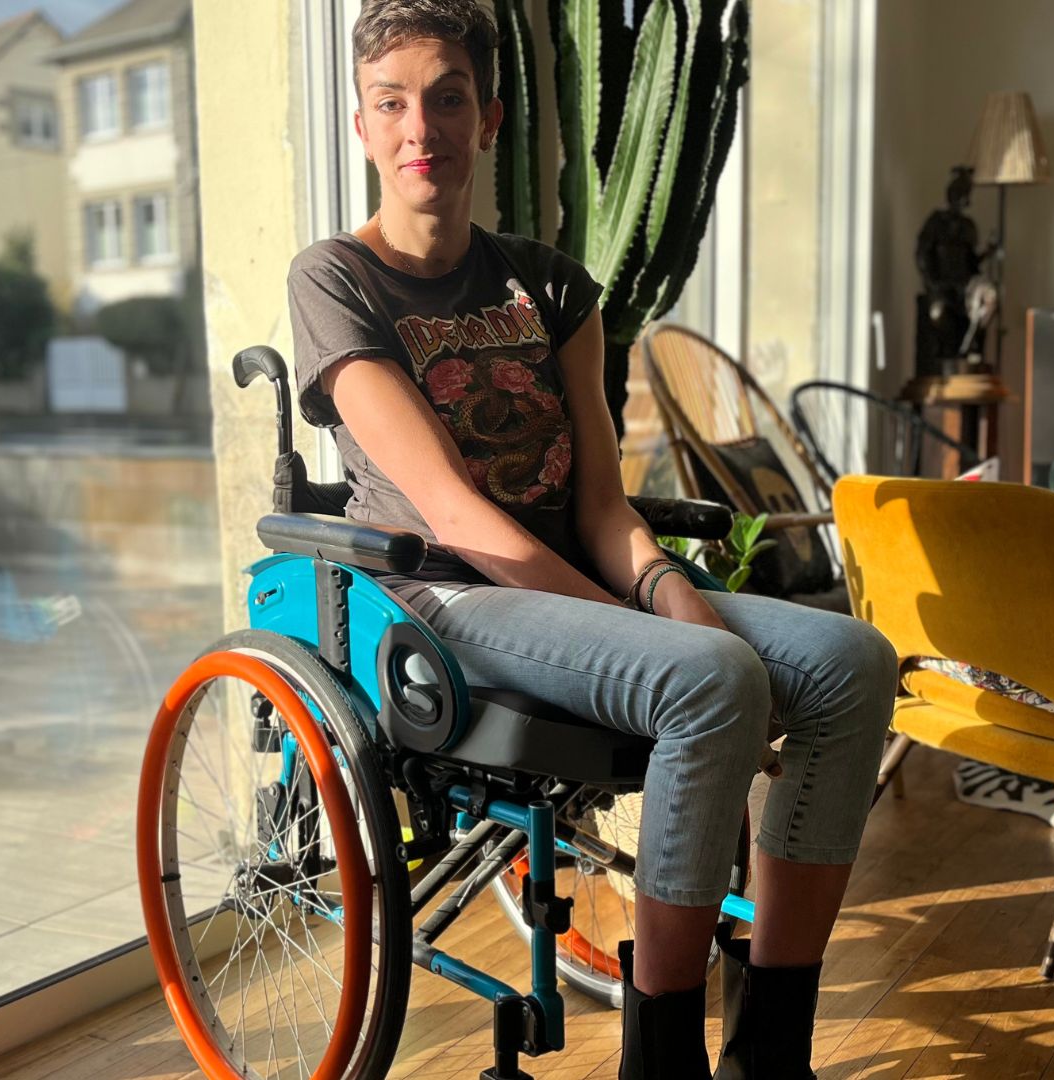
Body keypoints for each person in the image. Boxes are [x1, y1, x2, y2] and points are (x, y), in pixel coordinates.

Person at [285, 2, 898, 1076]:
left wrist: (667, 591)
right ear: (363, 125)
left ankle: (770, 1052)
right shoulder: (336, 279)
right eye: (394, 103)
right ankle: (660, 1061)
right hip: (442, 600)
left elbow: (604, 505)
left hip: (573, 583)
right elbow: (454, 513)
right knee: (709, 678)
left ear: (490, 119)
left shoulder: (552, 285)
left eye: (448, 98)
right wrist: (654, 632)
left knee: (853, 662)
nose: (421, 127)